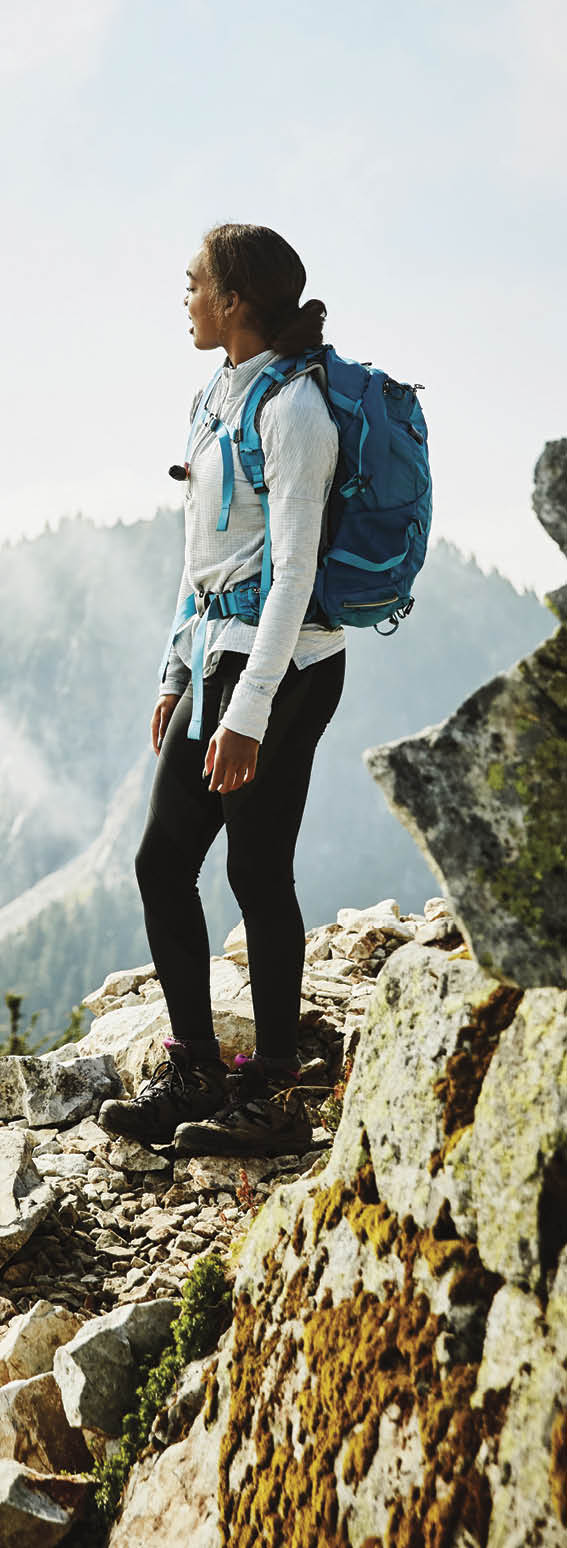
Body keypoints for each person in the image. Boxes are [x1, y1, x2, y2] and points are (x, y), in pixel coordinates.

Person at [99, 223, 345, 1156]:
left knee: (237, 867)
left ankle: (271, 1095)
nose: (186, 299)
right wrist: (176, 671)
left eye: (194, 284)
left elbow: (291, 572)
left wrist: (246, 713)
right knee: (180, 864)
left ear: (234, 299)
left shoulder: (295, 413)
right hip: (218, 656)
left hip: (283, 665)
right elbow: (202, 558)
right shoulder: (213, 397)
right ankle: (201, 1073)